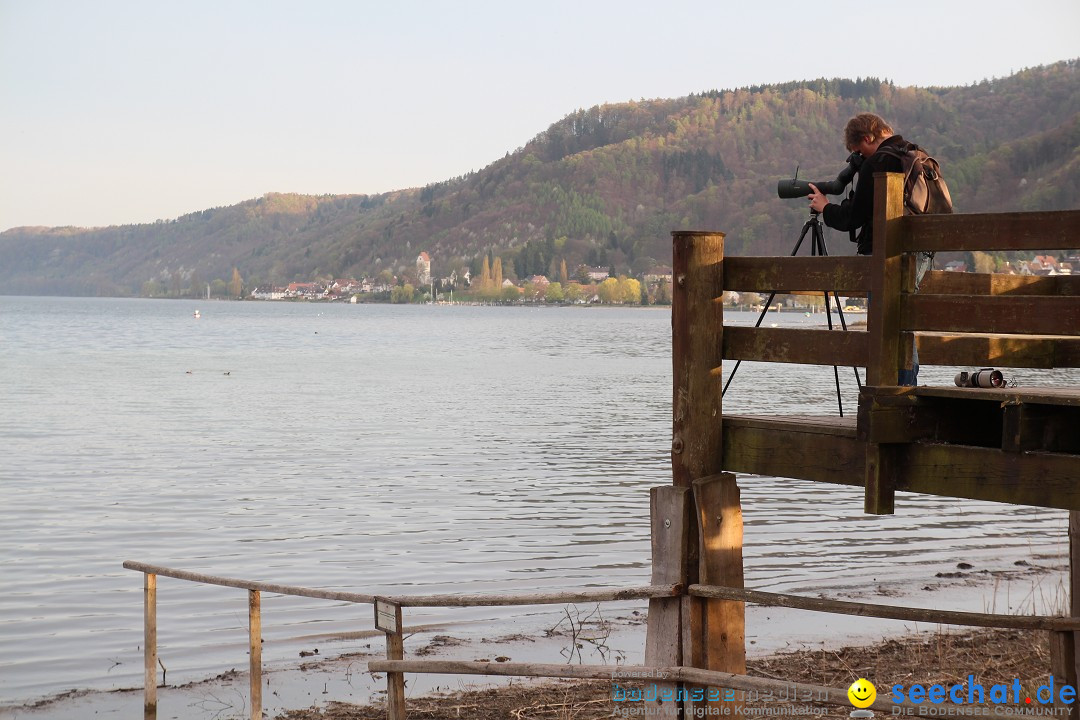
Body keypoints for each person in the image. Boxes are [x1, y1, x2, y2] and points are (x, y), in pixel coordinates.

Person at [807, 113, 929, 386]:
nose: (858, 158)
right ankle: (906, 387)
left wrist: (825, 208)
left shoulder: (881, 161)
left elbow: (855, 216)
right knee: (902, 321)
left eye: (858, 151)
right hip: (921, 251)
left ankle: (898, 390)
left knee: (888, 325)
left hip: (887, 254)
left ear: (868, 138)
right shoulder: (915, 154)